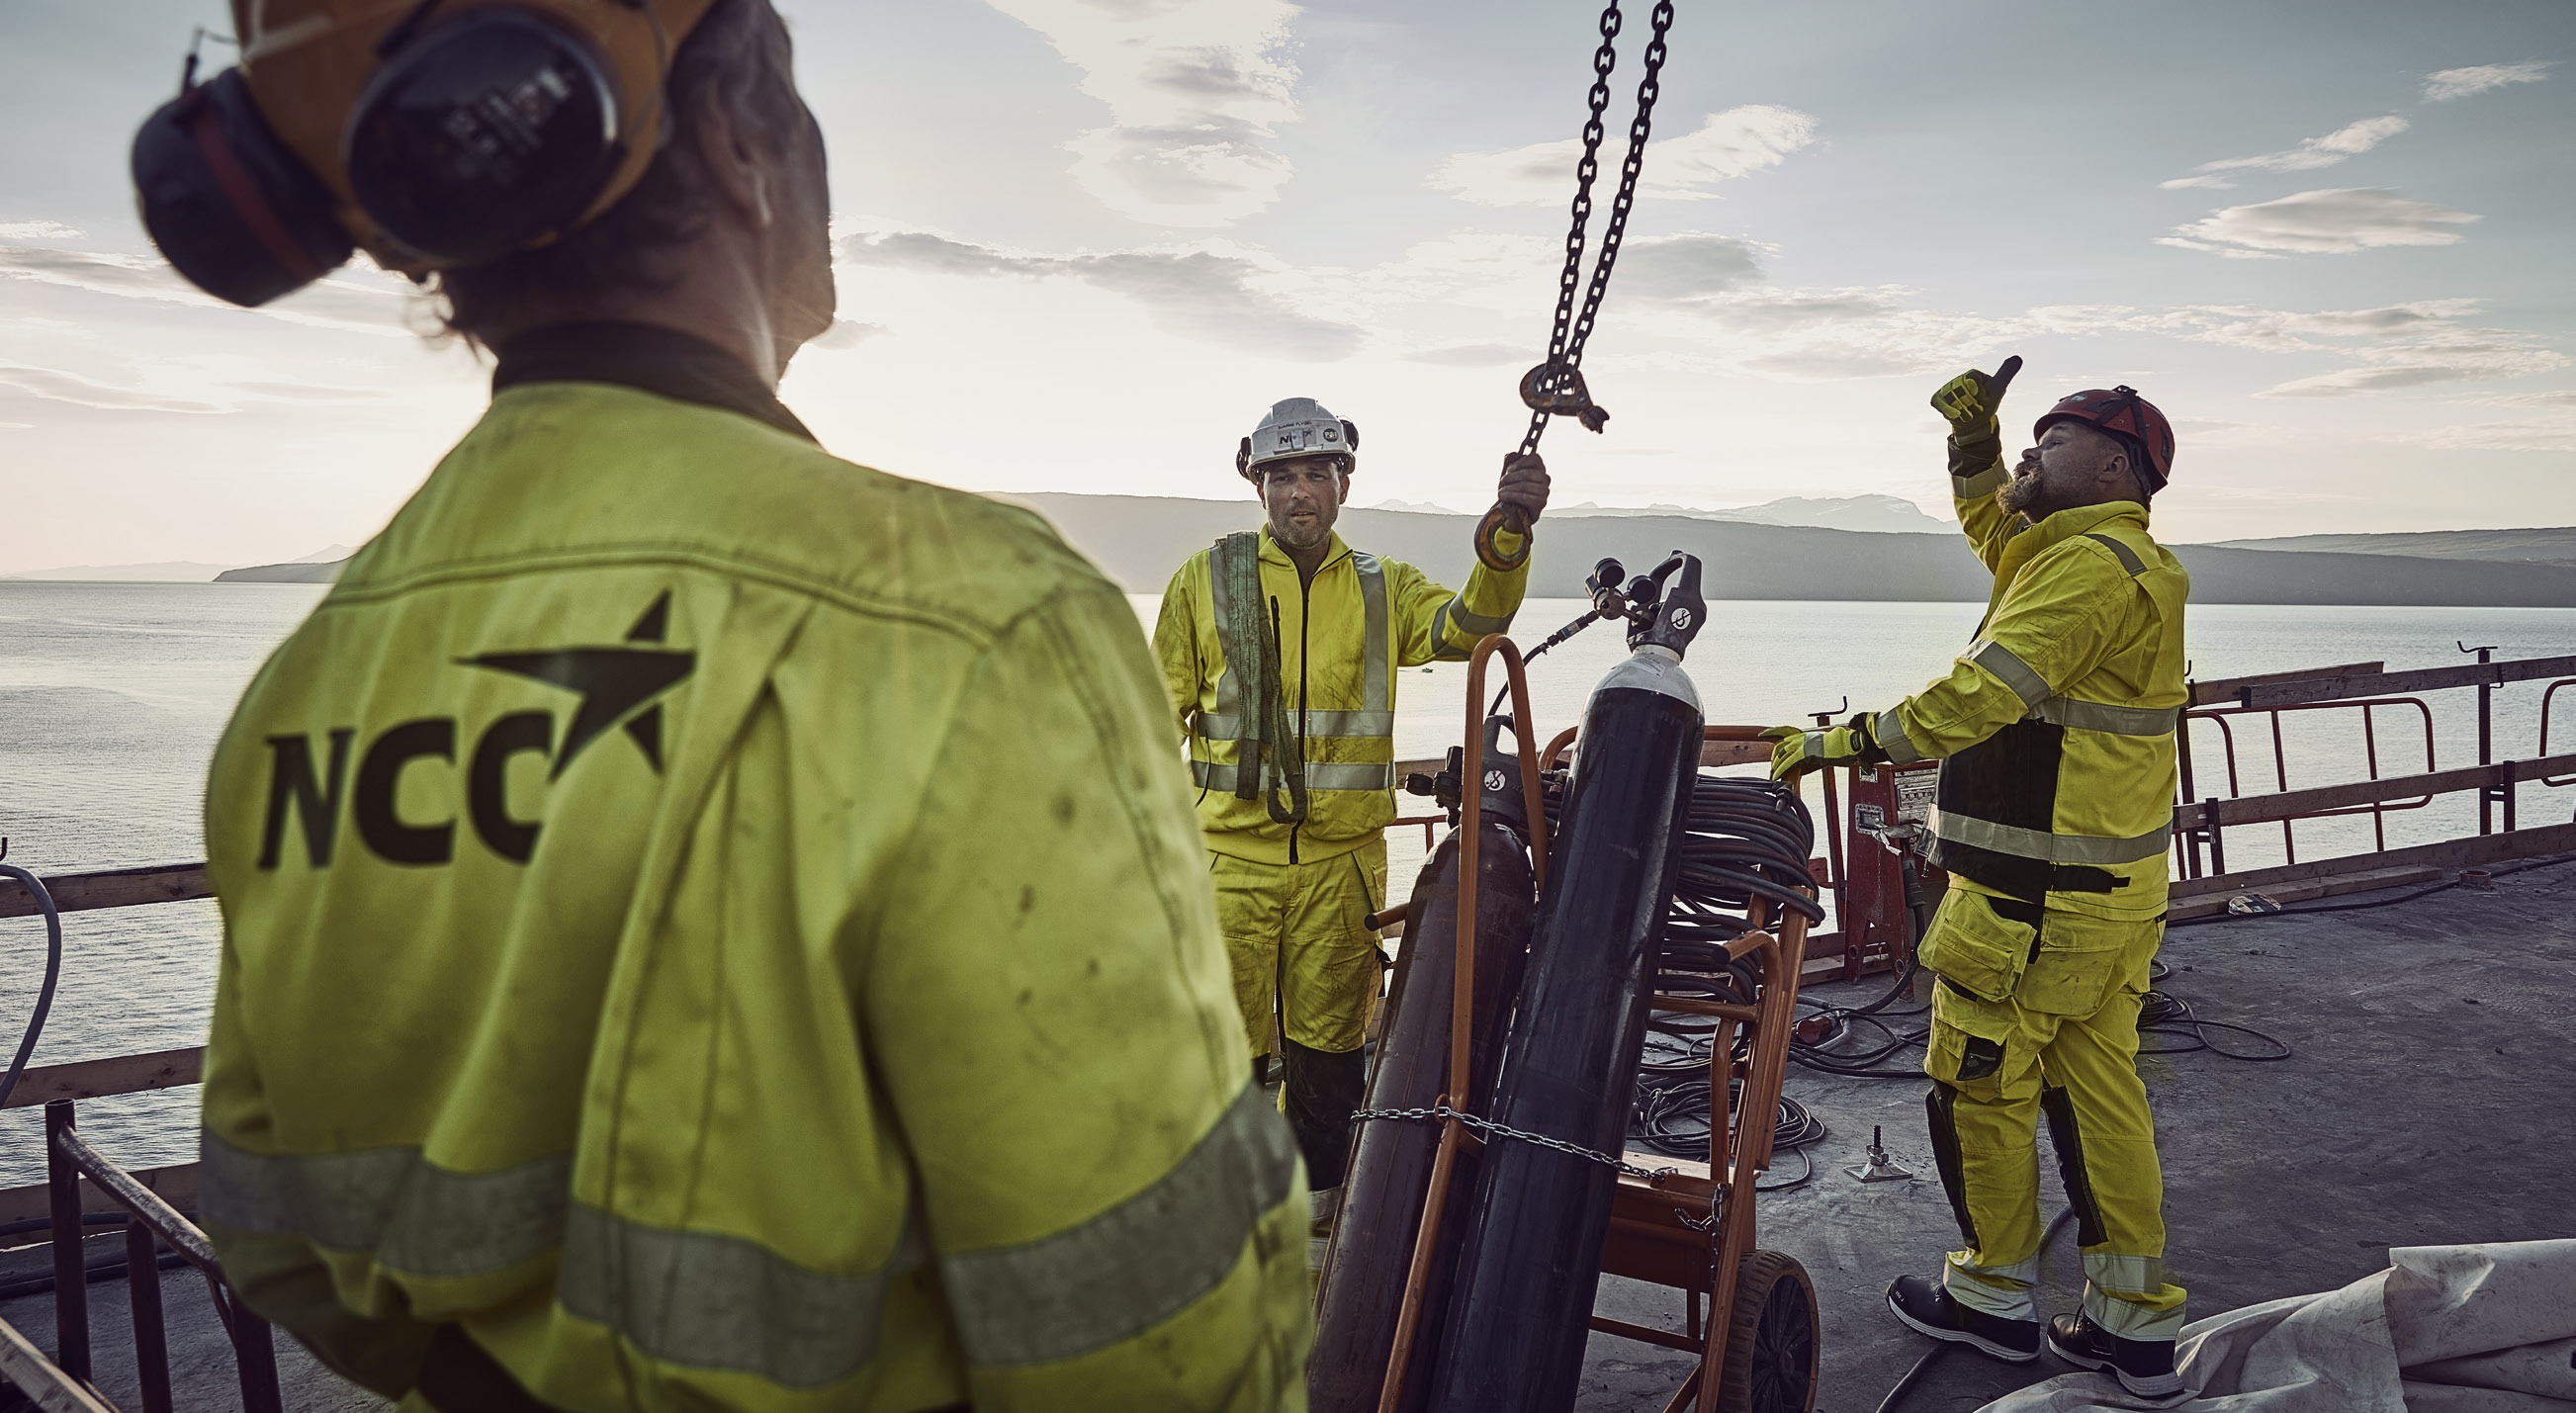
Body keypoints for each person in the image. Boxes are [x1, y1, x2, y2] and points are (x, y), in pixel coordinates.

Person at [182, 3, 1308, 1408]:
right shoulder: (974, 622)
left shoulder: (305, 689)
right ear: (735, 139)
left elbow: (278, 1237)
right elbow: (1159, 1338)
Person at [1763, 361, 2192, 1401]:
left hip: (2030, 901)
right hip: (2105, 900)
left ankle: (1993, 1295)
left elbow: (1978, 696)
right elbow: (1998, 529)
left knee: (1980, 1088)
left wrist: (1842, 741)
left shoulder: (2086, 571)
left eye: (2049, 444)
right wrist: (1974, 449)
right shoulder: (2095, 558)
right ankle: (2132, 1331)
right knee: (2099, 1099)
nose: (2030, 459)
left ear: (2109, 464)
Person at [1153, 400, 1550, 1239]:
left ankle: (1317, 1227)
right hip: (1226, 861)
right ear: (1255, 484)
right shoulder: (1204, 577)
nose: (1299, 493)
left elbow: (1472, 629)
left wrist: (1506, 536)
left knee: (1330, 1049)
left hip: (1343, 864)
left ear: (1343, 484)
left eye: (1315, 475)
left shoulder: (1381, 584)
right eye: (1282, 476)